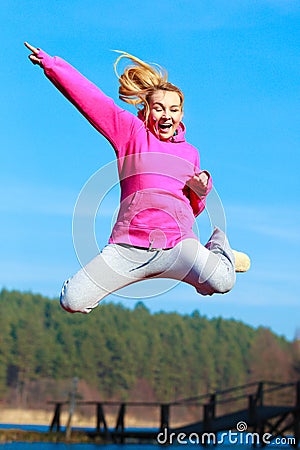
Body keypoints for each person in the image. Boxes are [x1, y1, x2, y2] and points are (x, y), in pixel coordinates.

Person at [24, 42, 250, 314]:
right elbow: (93, 100)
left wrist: (200, 190)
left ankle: (217, 245)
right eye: (160, 108)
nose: (167, 114)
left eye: (174, 109)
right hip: (129, 247)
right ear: (146, 111)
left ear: (181, 115)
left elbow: (191, 208)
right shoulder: (131, 133)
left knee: (223, 280)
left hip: (178, 245)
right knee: (73, 300)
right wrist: (52, 65)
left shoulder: (190, 153)